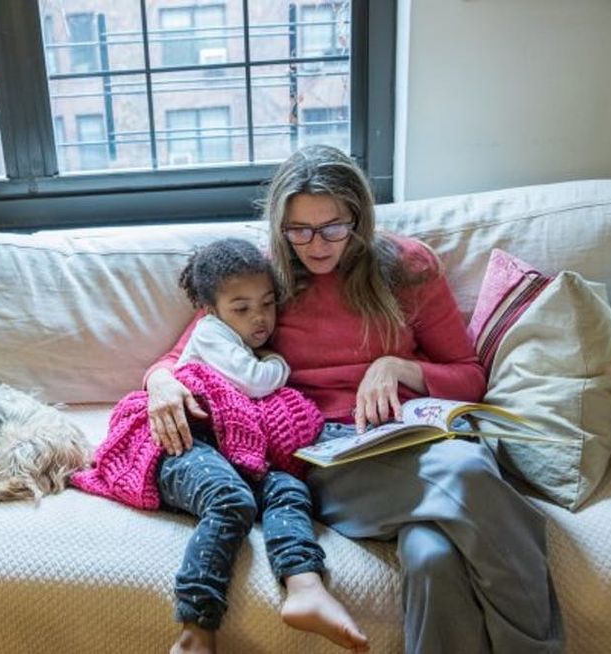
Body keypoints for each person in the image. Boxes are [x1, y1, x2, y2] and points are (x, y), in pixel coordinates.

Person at [144, 145, 563, 654]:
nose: (316, 245)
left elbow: (469, 376)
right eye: (299, 230)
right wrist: (160, 383)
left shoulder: (407, 266)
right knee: (469, 474)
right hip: (327, 456)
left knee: (432, 555)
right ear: (280, 226)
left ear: (359, 219)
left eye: (333, 227)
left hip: (415, 434)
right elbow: (184, 354)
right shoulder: (265, 278)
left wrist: (398, 366)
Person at [72, 238, 369, 654]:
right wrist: (276, 362)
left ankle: (305, 585)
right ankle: (196, 628)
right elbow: (255, 381)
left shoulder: (240, 333)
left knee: (288, 489)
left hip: (228, 449)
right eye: (242, 308)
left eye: (267, 304)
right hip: (180, 443)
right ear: (210, 311)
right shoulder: (212, 334)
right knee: (231, 499)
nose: (260, 318)